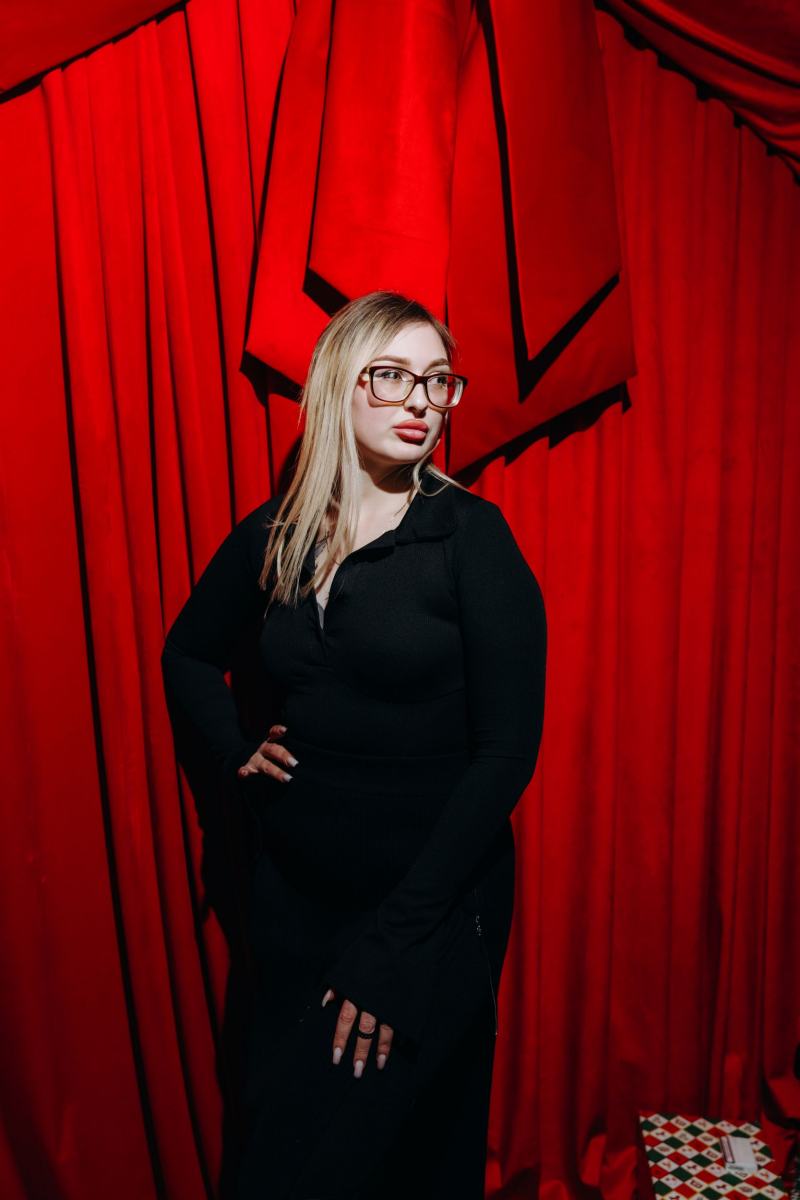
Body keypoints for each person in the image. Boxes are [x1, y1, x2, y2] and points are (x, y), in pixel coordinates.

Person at [160, 290, 547, 1199]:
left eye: (438, 381)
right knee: (279, 1155)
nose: (423, 401)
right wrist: (233, 752)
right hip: (294, 905)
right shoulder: (280, 533)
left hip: (428, 907)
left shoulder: (471, 538)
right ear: (341, 383)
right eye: (394, 376)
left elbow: (506, 753)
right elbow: (188, 653)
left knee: (398, 1163)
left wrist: (398, 947)